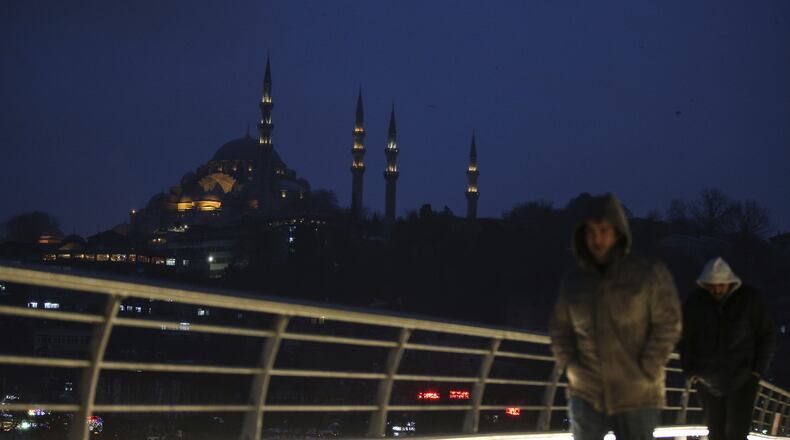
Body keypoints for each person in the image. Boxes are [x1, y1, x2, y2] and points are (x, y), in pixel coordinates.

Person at [549, 194, 682, 440]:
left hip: (636, 393)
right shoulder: (574, 281)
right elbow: (560, 329)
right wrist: (571, 366)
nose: (597, 238)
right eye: (590, 231)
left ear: (618, 232)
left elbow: (668, 324)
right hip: (586, 391)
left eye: (603, 230)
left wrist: (647, 369)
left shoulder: (648, 273)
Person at [679, 257, 776, 440]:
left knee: (736, 432)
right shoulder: (696, 302)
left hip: (742, 377)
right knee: (716, 431)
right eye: (712, 286)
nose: (717, 290)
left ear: (730, 283)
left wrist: (756, 372)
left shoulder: (748, 300)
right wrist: (691, 372)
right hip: (707, 378)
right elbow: (686, 338)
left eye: (721, 285)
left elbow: (766, 336)